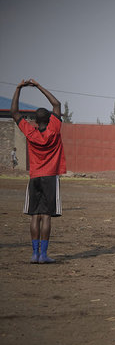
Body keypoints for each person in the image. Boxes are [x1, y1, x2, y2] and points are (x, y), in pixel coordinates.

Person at [10, 79, 65, 263]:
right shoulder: (55, 129)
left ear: (34, 121)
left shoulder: (30, 132)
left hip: (34, 177)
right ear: (50, 119)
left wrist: (19, 88)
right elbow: (56, 104)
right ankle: (43, 255)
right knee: (46, 216)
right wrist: (39, 86)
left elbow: (14, 112)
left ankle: (34, 254)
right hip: (50, 177)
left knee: (34, 215)